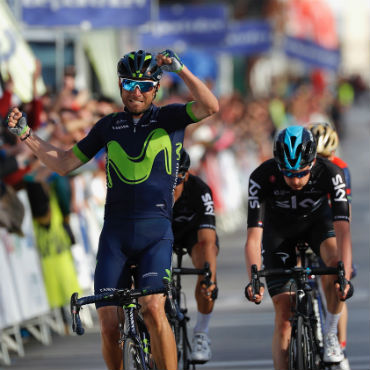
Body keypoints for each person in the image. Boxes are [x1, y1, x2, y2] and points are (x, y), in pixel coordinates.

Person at [7, 49, 219, 370]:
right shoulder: (108, 126)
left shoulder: (169, 117)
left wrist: (181, 70)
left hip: (154, 233)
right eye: (130, 84)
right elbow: (64, 163)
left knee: (152, 307)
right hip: (115, 236)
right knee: (107, 325)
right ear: (120, 85)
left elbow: (210, 106)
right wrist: (26, 135)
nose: (137, 91)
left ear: (156, 88)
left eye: (145, 85)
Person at [244, 126, 354, 370]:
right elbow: (253, 237)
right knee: (284, 315)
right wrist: (254, 277)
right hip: (279, 233)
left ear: (313, 162)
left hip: (318, 224)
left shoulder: (332, 173)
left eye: (302, 173)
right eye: (288, 173)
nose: (295, 180)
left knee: (335, 266)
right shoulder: (261, 177)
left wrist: (344, 272)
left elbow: (344, 232)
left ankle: (331, 333)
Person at [309, 122, 353, 370]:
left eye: (326, 156)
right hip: (305, 222)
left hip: (328, 224)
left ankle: (339, 341)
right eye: (318, 156)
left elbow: (343, 213)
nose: (322, 161)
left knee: (335, 284)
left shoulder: (340, 169)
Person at [172, 149, 219, 363]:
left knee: (206, 271)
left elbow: (208, 241)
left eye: (178, 180)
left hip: (194, 234)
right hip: (163, 233)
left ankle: (201, 332)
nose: (172, 187)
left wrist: (209, 278)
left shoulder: (200, 190)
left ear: (186, 175)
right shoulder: (151, 188)